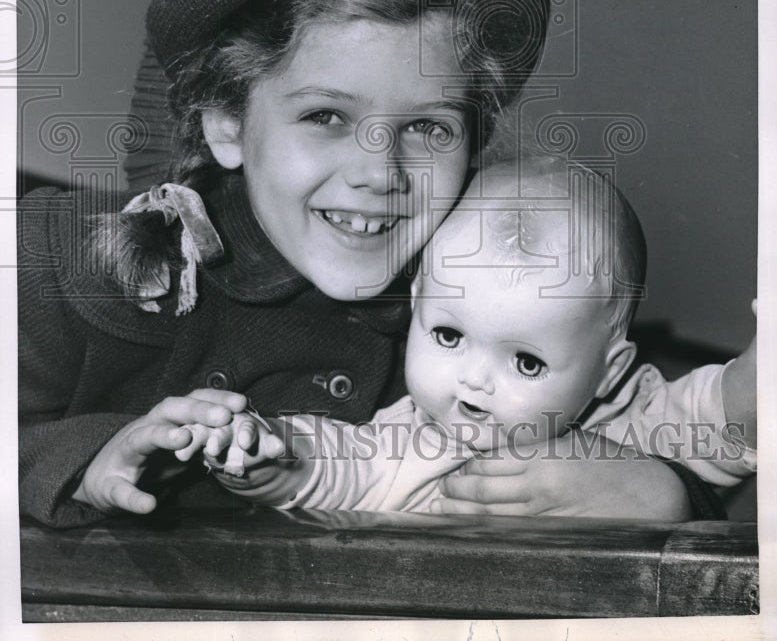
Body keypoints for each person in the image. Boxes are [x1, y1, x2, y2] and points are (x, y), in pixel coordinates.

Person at [17, 0, 710, 529]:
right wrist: (86, 457)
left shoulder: (484, 312)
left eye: (426, 127)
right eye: (326, 118)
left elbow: (661, 419)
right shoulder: (62, 265)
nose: (379, 174)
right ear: (226, 122)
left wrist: (663, 492)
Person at [193, 159, 756, 516]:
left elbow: (726, 418)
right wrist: (270, 455)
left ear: (608, 373)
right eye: (447, 334)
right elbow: (339, 460)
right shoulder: (410, 438)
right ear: (416, 307)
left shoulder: (629, 421)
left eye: (527, 363)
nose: (473, 380)